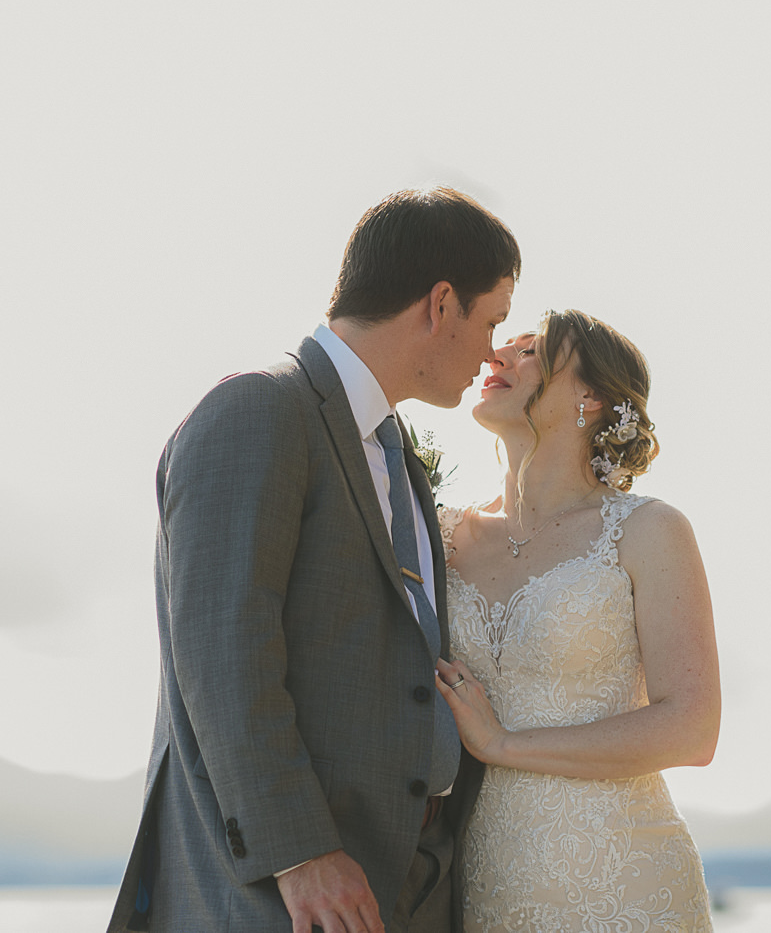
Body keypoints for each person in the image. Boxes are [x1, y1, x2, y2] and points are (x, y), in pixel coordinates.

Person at [106, 187, 520, 933]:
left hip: (401, 886)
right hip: (288, 896)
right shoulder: (259, 410)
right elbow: (224, 656)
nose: (494, 349)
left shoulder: (398, 459)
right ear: (441, 304)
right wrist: (300, 855)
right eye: (492, 320)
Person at [432, 309, 720, 932]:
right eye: (501, 346)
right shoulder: (442, 537)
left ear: (590, 395)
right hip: (489, 885)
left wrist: (504, 745)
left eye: (531, 350)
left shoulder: (647, 531)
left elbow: (693, 730)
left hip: (627, 883)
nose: (496, 358)